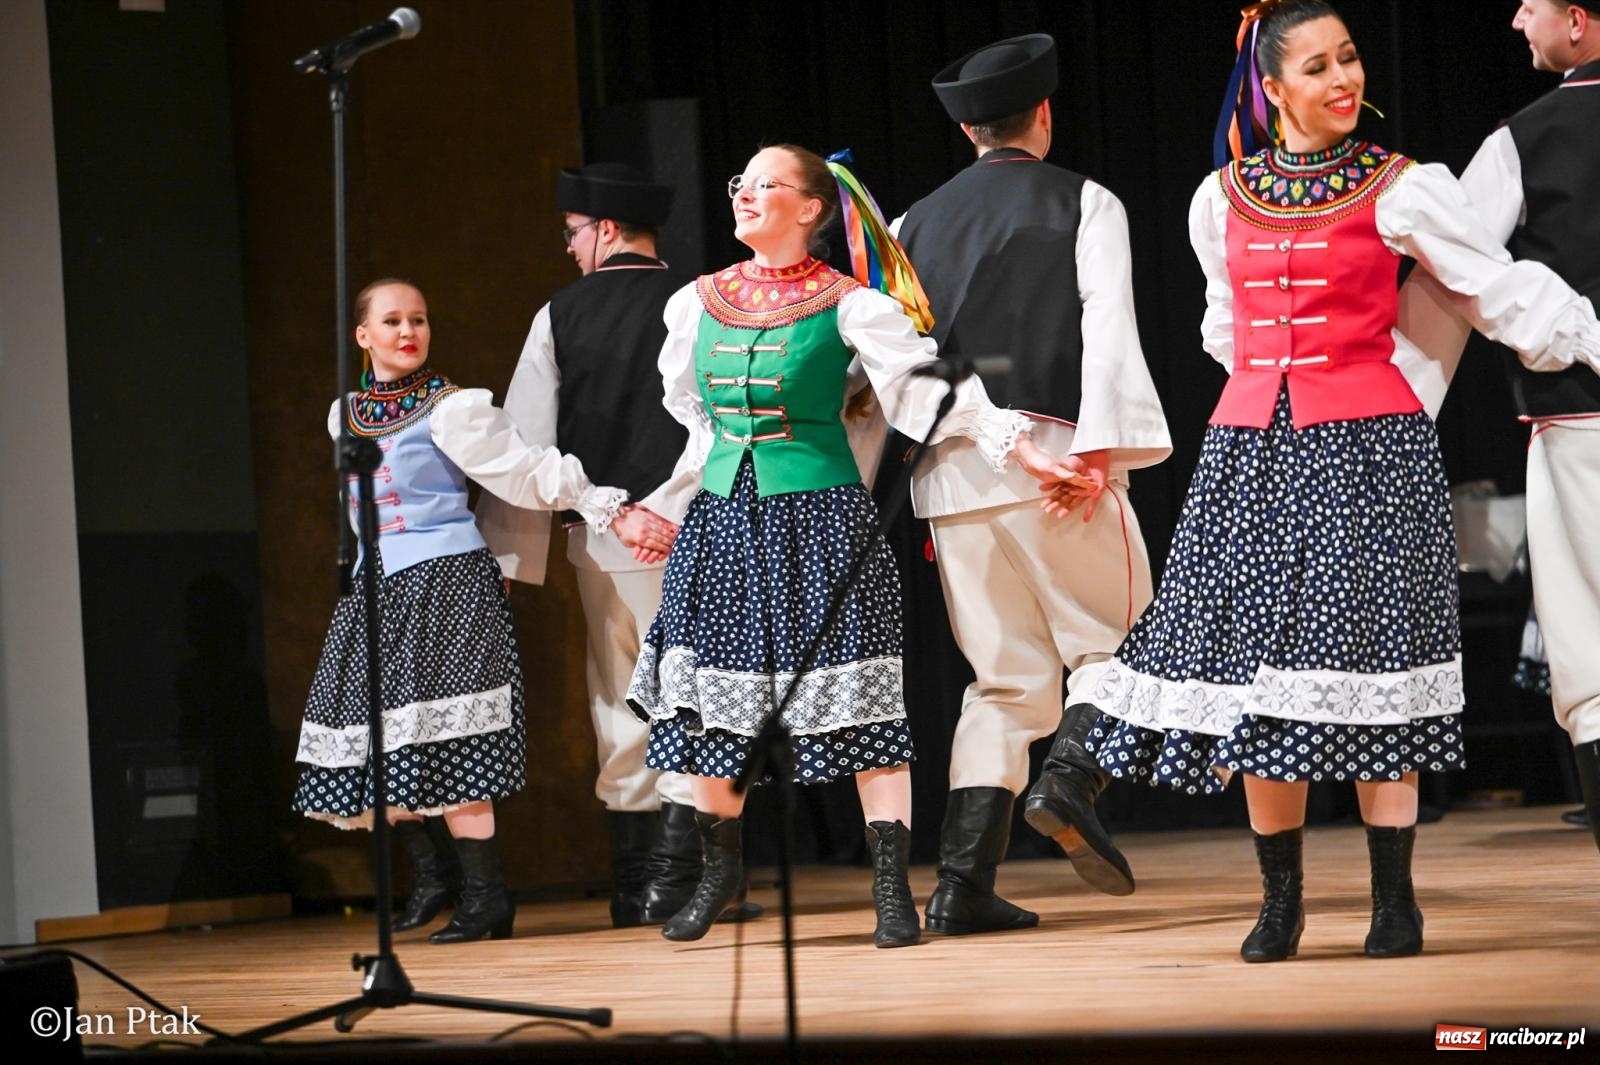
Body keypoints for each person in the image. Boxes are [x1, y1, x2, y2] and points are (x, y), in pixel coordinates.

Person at [1081, 0, 1600, 962]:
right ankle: (1281, 898)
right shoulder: (1220, 196)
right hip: (1252, 450)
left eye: (1350, 59)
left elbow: (1496, 288)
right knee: (1255, 681)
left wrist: (1587, 341)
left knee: (1376, 673)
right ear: (1273, 90)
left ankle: (1393, 898)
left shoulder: (1402, 188)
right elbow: (1224, 326)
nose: (1344, 80)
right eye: (1317, 68)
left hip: (1369, 449)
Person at [626, 144, 1069, 947]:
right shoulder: (696, 303)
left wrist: (1019, 443)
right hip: (726, 525)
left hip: (822, 522)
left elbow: (925, 390)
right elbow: (700, 425)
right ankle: (720, 871)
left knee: (864, 708)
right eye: (741, 181)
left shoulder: (851, 304)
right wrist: (668, 505)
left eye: (766, 183)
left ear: (810, 209)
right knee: (714, 714)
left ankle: (892, 887)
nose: (746, 194)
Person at [889, 33, 1172, 936]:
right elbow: (1109, 327)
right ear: (1043, 113)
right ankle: (1071, 782)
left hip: (952, 476)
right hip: (1059, 458)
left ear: (968, 128)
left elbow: (902, 367)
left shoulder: (910, 224)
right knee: (1126, 643)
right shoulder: (1085, 200)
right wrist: (1105, 452)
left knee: (1003, 682)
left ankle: (961, 882)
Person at [292, 278, 625, 944]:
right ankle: (437, 879)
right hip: (378, 584)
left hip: (446, 578)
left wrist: (600, 501)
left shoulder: (453, 408)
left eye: (419, 318)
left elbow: (521, 468)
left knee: (451, 742)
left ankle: (486, 896)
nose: (409, 330)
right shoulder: (345, 412)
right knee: (380, 739)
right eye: (392, 320)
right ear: (364, 336)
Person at [477, 163, 759, 928]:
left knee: (619, 695)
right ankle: (688, 876)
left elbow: (524, 443)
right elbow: (740, 420)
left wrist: (509, 559)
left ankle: (638, 882)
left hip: (604, 539)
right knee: (701, 698)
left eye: (572, 233)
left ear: (604, 229)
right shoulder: (715, 300)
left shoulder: (559, 315)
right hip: (703, 529)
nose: (568, 249)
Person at [1396, 0, 1600, 854]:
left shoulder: (1526, 137)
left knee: (1588, 644)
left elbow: (1455, 267)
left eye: (1533, 6)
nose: (1518, 20)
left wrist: (1396, 420)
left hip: (1583, 420)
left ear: (1580, 22)